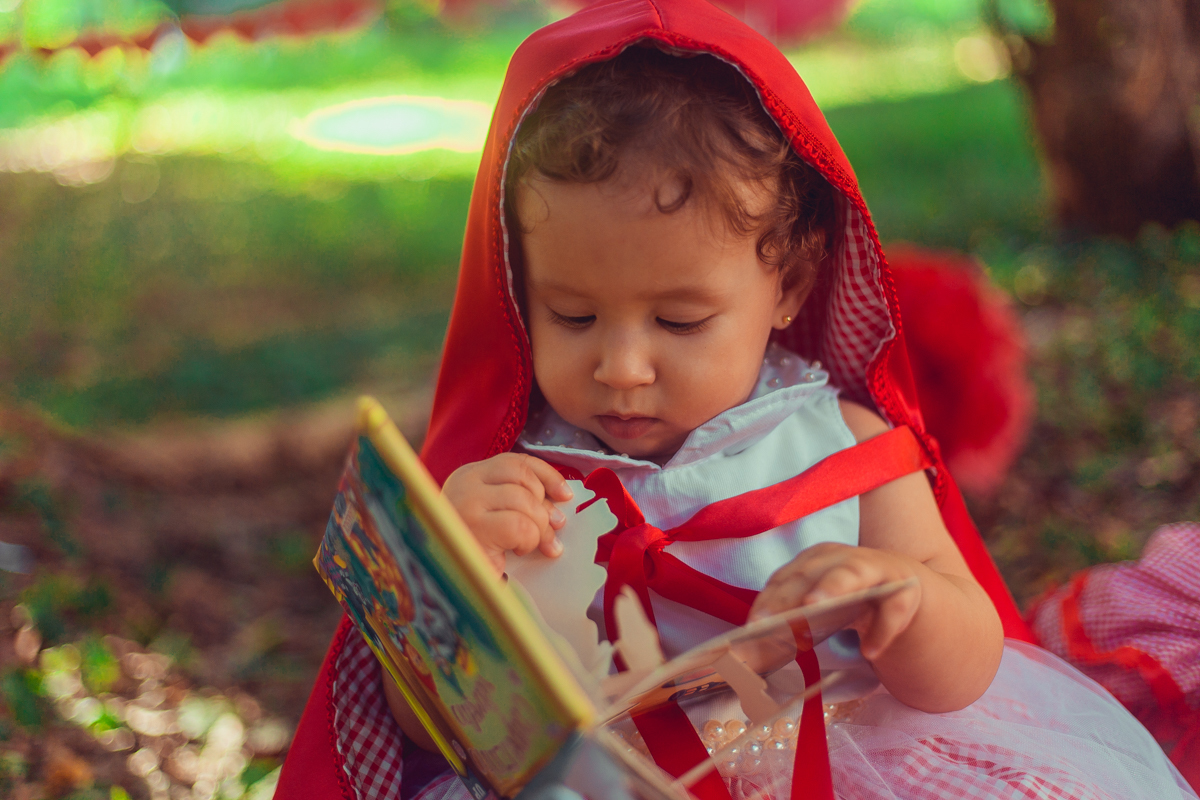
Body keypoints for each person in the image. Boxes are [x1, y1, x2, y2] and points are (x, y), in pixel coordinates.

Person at [274, 1, 1198, 798]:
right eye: (574, 314)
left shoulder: (838, 444)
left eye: (680, 323)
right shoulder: (523, 477)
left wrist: (901, 601)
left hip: (848, 759)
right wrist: (458, 572)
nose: (622, 367)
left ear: (789, 286)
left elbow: (966, 667)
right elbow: (432, 727)